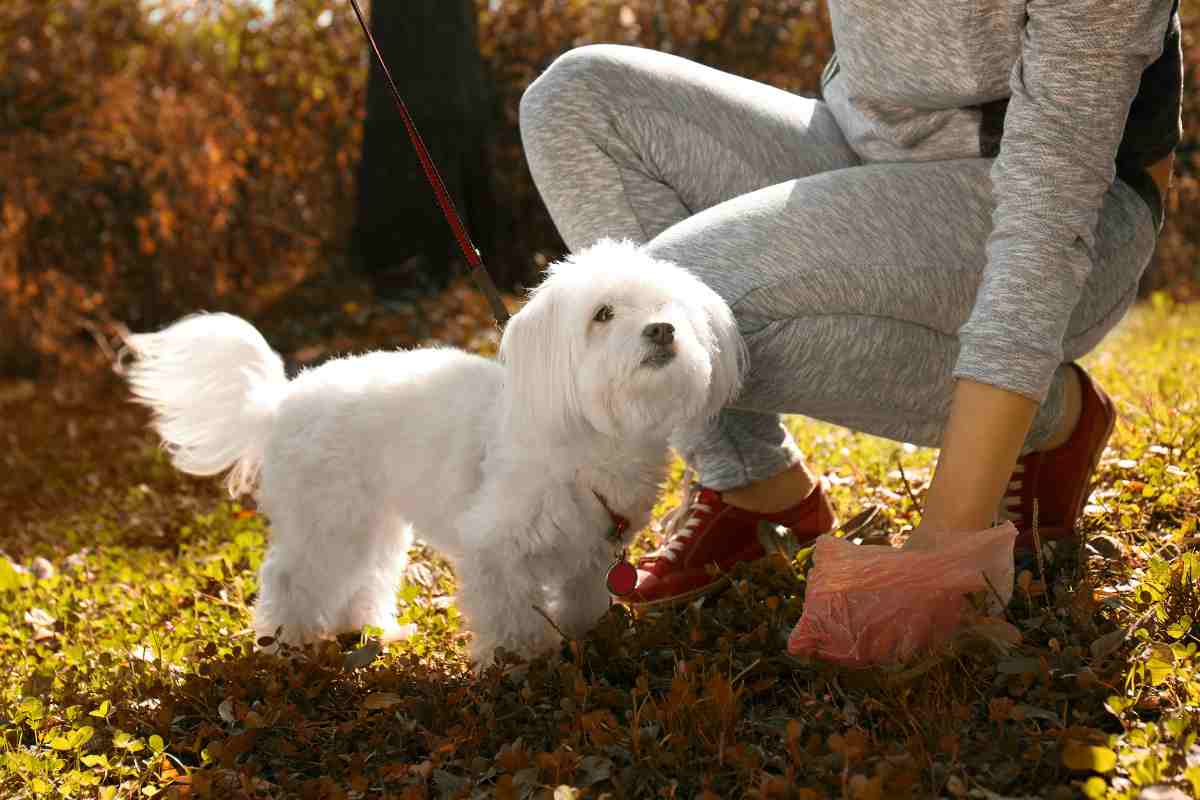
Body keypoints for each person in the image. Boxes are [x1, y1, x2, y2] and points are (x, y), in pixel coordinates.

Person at [517, 1, 1182, 611]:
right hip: (856, 146)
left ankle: (1053, 415)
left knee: (681, 310)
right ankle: (753, 482)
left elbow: (1051, 207)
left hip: (1066, 202)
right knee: (574, 101)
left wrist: (945, 546)